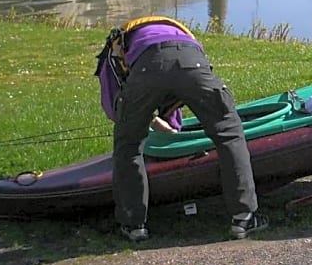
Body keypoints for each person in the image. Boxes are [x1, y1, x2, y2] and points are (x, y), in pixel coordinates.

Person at [98, 16, 268, 241]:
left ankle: (133, 224)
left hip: (146, 65)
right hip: (192, 61)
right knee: (230, 134)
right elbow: (177, 80)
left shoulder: (115, 48)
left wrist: (143, 122)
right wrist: (169, 127)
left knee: (128, 145)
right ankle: (244, 217)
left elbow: (115, 106)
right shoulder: (182, 35)